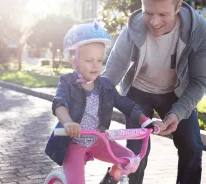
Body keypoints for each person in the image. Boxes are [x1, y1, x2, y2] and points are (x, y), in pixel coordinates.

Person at [102, 0, 206, 183]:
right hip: (138, 90)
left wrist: (177, 113)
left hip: (176, 93)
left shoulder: (199, 31)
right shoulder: (133, 28)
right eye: (148, 13)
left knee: (192, 146)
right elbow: (112, 71)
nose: (154, 22)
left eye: (162, 15)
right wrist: (93, 103)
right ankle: (119, 179)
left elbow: (199, 81)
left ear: (178, 7)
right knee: (136, 154)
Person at [45, 21, 165, 184]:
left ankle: (109, 180)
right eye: (89, 60)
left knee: (129, 159)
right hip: (74, 144)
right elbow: (59, 103)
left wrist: (146, 121)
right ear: (74, 61)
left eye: (100, 60)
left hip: (98, 141)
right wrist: (68, 123)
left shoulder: (105, 85)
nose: (95, 65)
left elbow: (125, 104)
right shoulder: (67, 83)